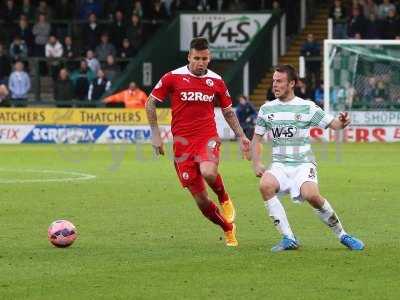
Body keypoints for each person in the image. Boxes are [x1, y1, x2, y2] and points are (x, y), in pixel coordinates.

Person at [145, 37, 250, 247]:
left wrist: (242, 136)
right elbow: (150, 103)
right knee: (202, 202)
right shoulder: (172, 77)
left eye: (204, 58)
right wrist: (156, 135)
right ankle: (228, 228)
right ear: (189, 57)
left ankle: (223, 196)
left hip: (206, 137)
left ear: (209, 58)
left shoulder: (217, 81)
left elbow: (228, 112)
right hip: (182, 145)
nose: (200, 63)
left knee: (209, 171)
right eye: (196, 58)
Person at [251, 64, 364, 252]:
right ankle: (288, 238)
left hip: (303, 163)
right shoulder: (266, 109)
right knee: (265, 185)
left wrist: (342, 122)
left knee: (311, 195)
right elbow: (256, 139)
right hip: (279, 164)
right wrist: (256, 163)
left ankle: (343, 234)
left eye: (279, 81)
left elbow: (333, 124)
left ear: (292, 83)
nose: (275, 85)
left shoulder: (307, 107)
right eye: (274, 81)